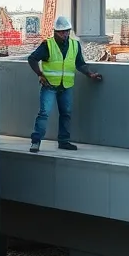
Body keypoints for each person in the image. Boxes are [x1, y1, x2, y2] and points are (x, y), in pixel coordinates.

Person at [27, 15, 103, 153]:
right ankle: (36, 142)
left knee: (66, 114)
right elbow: (32, 59)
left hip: (66, 85)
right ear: (55, 32)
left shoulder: (74, 45)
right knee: (44, 113)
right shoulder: (47, 45)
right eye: (62, 31)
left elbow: (80, 64)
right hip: (49, 86)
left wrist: (90, 74)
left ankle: (64, 141)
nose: (65, 34)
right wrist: (40, 74)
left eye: (67, 31)